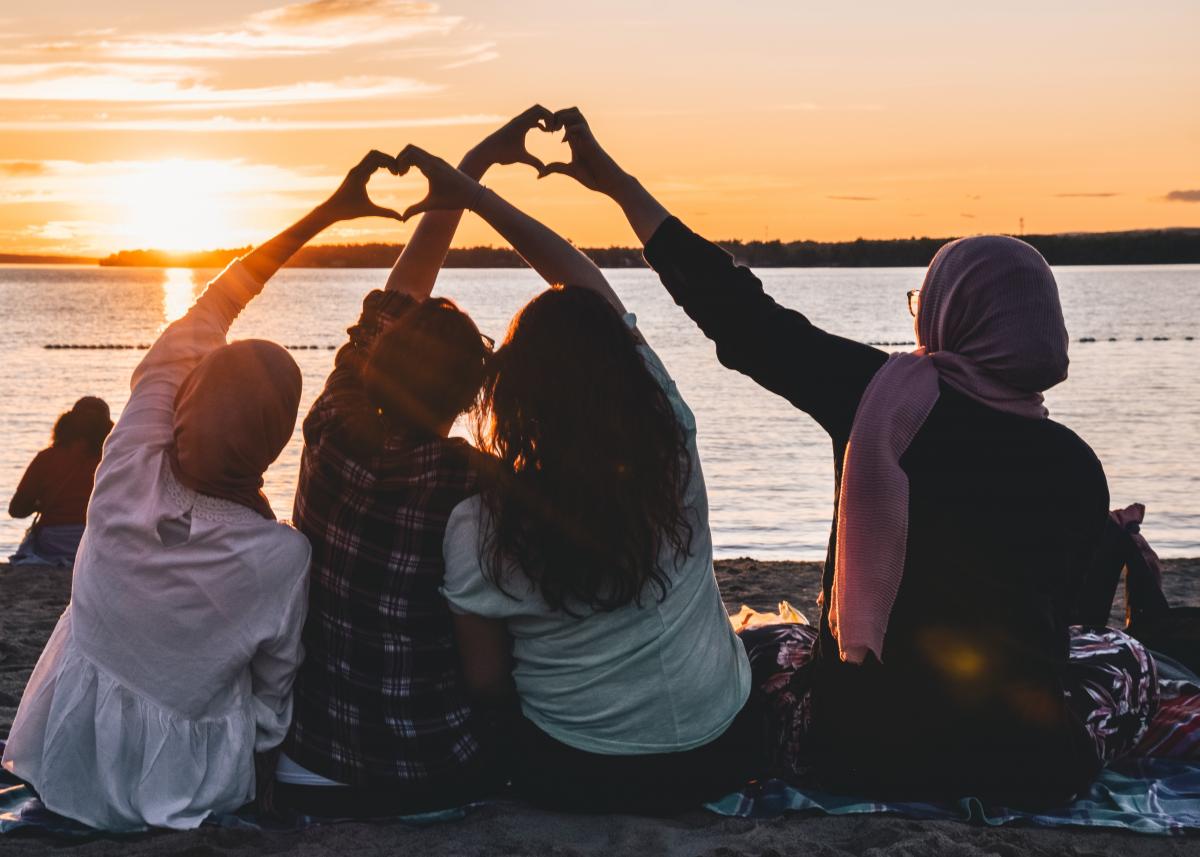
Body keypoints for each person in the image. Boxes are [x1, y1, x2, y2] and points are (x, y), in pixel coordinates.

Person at [539, 108, 1157, 805]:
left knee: (766, 645)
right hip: (1024, 763)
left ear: (952, 313)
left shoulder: (879, 399)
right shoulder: (1073, 465)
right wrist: (1109, 549)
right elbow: (1066, 626)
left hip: (855, 751)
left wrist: (619, 186)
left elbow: (739, 313)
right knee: (1130, 660)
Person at [1, 153, 404, 831]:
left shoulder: (127, 461)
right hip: (187, 779)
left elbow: (217, 302)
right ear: (275, 445)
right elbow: (274, 698)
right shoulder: (281, 555)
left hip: (68, 754)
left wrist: (328, 210)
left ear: (179, 408)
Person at [388, 144, 760, 815]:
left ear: (515, 391)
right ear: (624, 373)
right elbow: (585, 283)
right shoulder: (671, 438)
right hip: (720, 751)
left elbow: (487, 684)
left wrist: (464, 187)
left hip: (574, 774)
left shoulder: (482, 518)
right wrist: (474, 193)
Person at [276, 110, 555, 817]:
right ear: (470, 396)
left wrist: (466, 171)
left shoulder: (328, 423)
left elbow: (397, 296)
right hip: (435, 772)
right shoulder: (474, 481)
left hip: (312, 764)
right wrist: (475, 169)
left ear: (376, 363)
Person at [9, 396, 113, 566]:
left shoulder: (46, 458)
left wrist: (40, 504)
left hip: (52, 543)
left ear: (68, 424)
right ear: (108, 428)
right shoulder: (113, 461)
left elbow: (17, 510)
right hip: (96, 541)